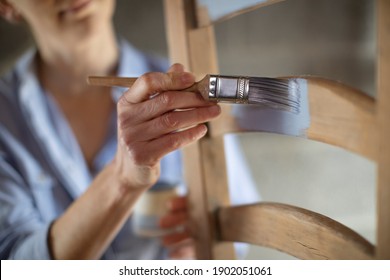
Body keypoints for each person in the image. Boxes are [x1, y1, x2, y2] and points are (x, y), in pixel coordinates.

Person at [0, 0, 260, 260]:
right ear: (7, 6)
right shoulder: (5, 118)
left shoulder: (191, 90)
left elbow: (237, 232)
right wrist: (122, 180)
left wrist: (200, 252)